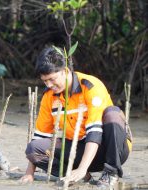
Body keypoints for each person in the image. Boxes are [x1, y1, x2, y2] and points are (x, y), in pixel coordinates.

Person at [20, 47, 132, 188]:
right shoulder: (48, 96)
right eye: (45, 81)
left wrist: (82, 167)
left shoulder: (90, 86)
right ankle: (81, 176)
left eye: (52, 79)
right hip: (79, 148)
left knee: (112, 114)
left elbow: (95, 132)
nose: (49, 85)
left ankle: (111, 173)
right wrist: (30, 173)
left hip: (111, 149)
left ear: (65, 71)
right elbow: (40, 136)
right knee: (33, 149)